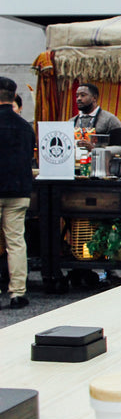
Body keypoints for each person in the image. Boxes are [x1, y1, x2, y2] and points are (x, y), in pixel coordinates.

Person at [0, 77, 35, 309]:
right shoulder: (25, 127)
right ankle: (18, 293)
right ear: (14, 97)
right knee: (16, 242)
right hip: (18, 190)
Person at [71, 82, 121, 149]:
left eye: (83, 95)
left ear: (94, 98)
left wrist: (95, 149)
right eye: (77, 96)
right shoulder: (71, 122)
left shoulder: (110, 120)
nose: (78, 99)